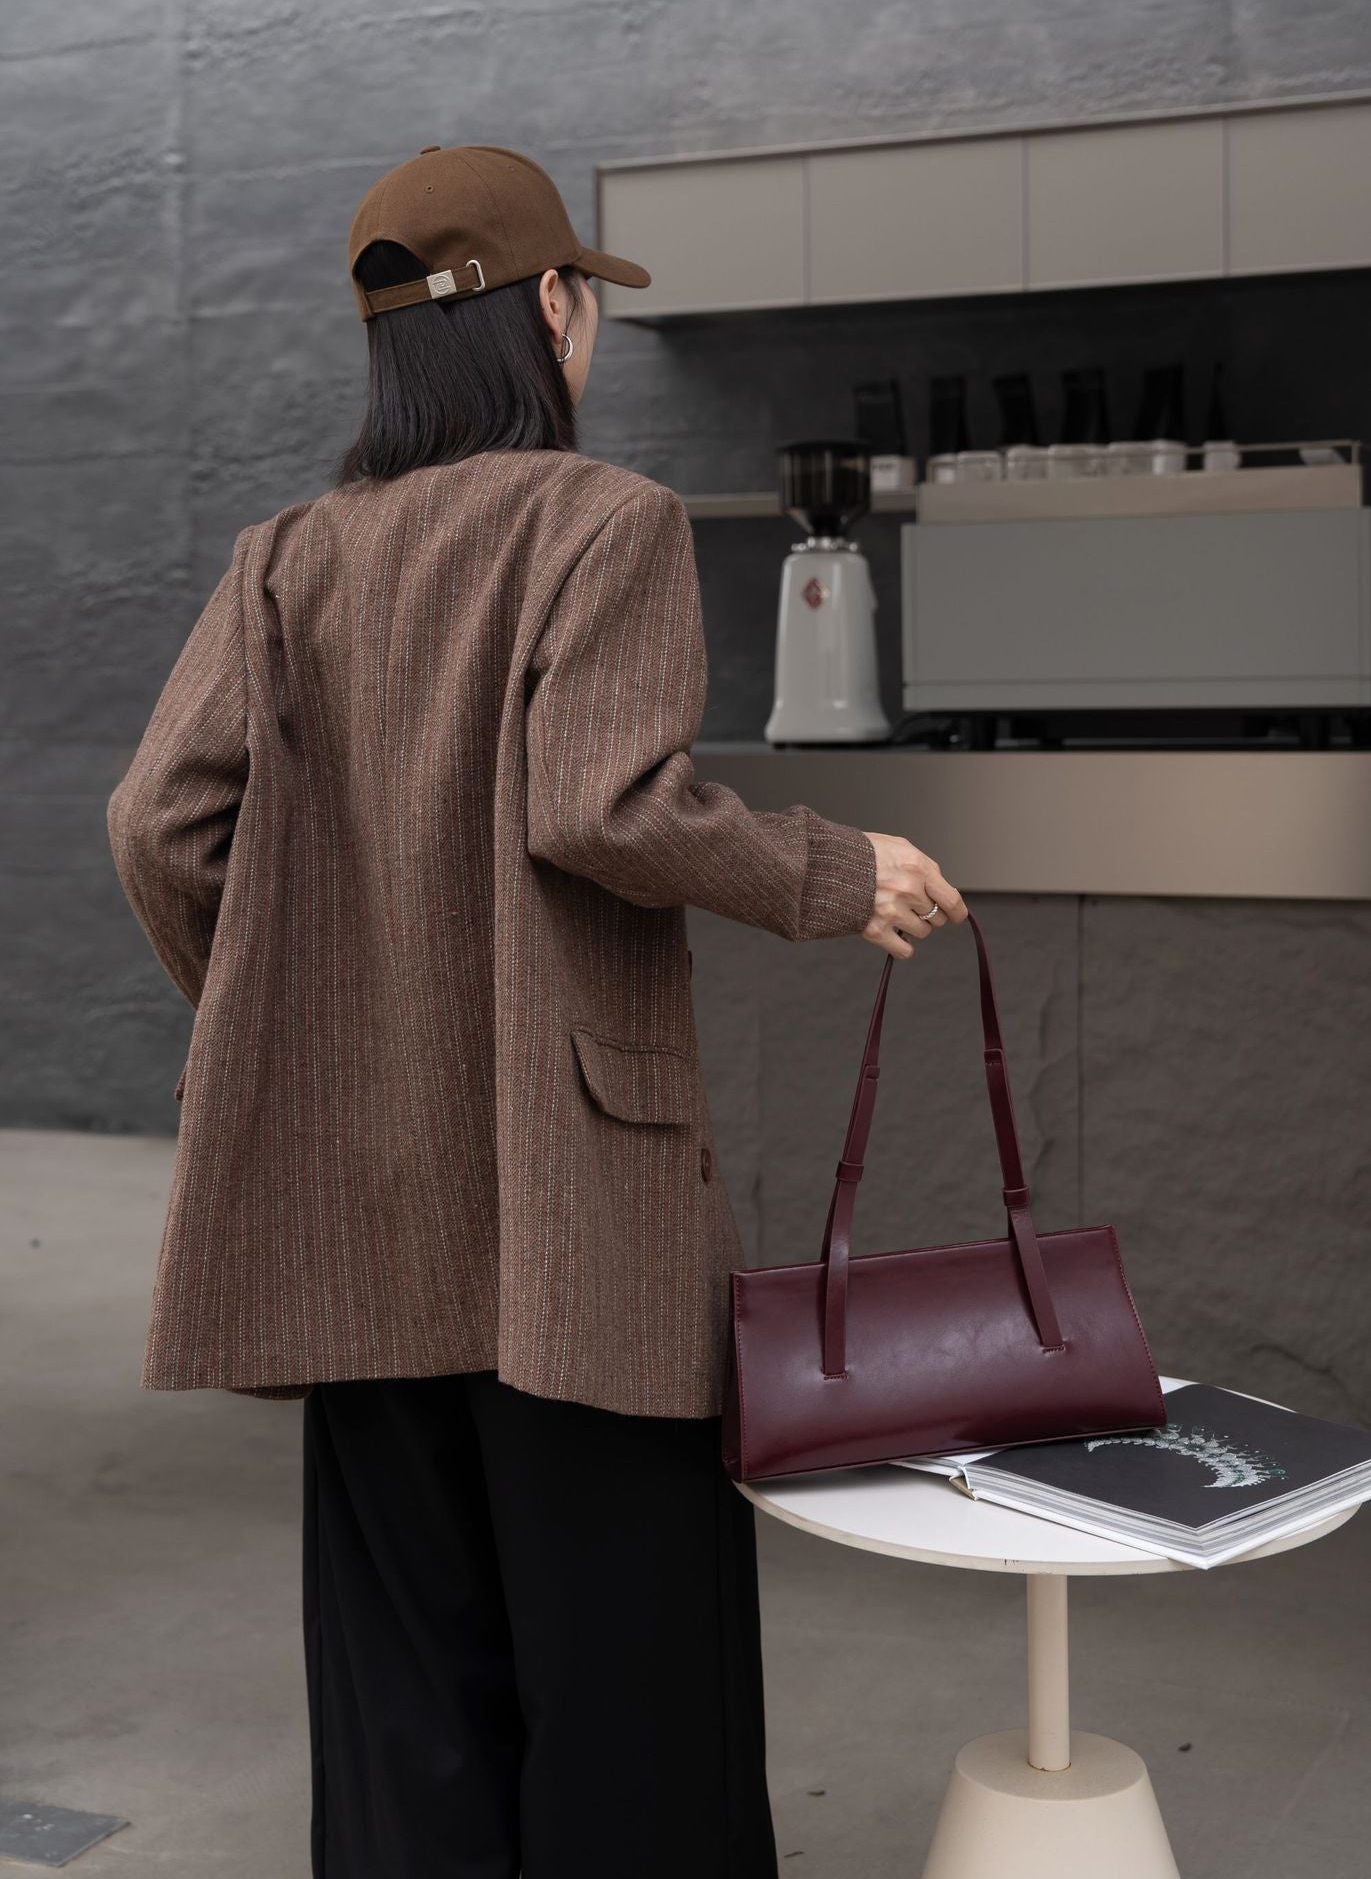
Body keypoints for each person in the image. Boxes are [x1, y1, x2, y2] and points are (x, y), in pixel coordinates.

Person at [106, 143, 967, 1879]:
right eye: (584, 298)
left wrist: (275, 1022)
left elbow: (155, 825)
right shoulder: (604, 521)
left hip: (352, 1209)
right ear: (553, 313)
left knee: (410, 1694)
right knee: (635, 1693)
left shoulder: (286, 561)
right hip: (578, 1205)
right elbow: (600, 805)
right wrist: (825, 867)